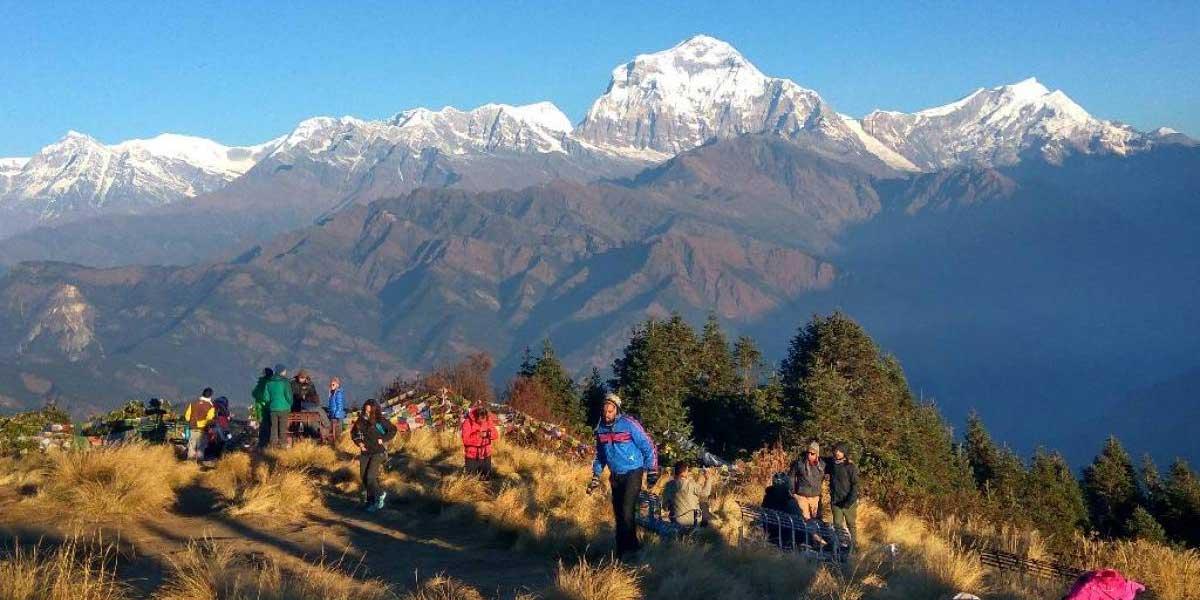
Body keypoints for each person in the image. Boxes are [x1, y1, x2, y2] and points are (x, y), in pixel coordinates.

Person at [587, 392, 658, 556]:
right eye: (604, 411)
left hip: (634, 471)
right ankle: (623, 550)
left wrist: (652, 469)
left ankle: (630, 550)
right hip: (615, 475)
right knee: (619, 513)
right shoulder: (601, 430)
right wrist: (596, 476)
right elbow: (600, 455)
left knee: (627, 510)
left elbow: (648, 446)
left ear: (617, 410)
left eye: (610, 411)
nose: (606, 414)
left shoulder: (629, 424)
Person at [350, 399, 398, 512]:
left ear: (374, 410)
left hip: (378, 452)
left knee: (370, 477)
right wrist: (360, 444)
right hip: (365, 452)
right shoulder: (360, 420)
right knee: (363, 477)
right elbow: (354, 434)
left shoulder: (380, 420)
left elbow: (393, 430)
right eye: (366, 410)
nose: (367, 413)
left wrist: (384, 439)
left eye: (369, 411)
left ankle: (381, 494)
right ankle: (370, 502)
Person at [661, 461, 714, 528]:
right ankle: (704, 526)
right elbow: (705, 493)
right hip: (694, 520)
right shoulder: (691, 484)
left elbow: (665, 507)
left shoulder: (669, 485)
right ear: (684, 471)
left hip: (676, 520)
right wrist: (708, 479)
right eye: (687, 470)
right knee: (703, 502)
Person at [827, 443, 860, 548]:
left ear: (844, 452)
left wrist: (850, 500)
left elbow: (855, 485)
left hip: (848, 501)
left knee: (851, 524)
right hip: (836, 501)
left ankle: (854, 545)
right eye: (836, 450)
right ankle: (841, 545)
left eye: (840, 451)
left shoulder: (850, 466)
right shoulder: (832, 464)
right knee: (837, 524)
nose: (837, 453)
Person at [760, 471, 803, 548]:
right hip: (786, 533)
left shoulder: (768, 497)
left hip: (771, 530)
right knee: (811, 528)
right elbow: (798, 518)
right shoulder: (788, 500)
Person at [790, 441, 825, 522]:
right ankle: (806, 534)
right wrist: (793, 492)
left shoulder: (822, 465)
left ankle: (815, 534)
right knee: (805, 518)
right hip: (802, 495)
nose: (809, 455)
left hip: (815, 496)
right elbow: (791, 476)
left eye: (812, 453)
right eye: (808, 453)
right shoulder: (799, 463)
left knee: (816, 519)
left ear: (817, 454)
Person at [461, 404, 498, 477]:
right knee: (470, 481)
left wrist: (487, 434)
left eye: (484, 419)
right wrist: (478, 435)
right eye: (480, 420)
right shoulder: (467, 422)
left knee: (486, 480)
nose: (482, 422)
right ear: (476, 416)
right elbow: (465, 440)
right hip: (472, 456)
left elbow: (496, 435)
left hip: (486, 455)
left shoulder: (488, 420)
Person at [264, 364, 294, 448]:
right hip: (284, 408)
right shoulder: (285, 382)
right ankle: (283, 444)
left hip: (273, 408)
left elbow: (266, 398)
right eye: (284, 370)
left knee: (273, 427)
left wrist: (270, 404)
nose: (285, 372)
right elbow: (288, 396)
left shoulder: (269, 382)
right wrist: (290, 404)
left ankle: (273, 445)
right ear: (282, 371)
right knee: (283, 427)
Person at [184, 389, 216, 460]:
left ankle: (190, 463)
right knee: (201, 448)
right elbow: (210, 419)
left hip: (192, 427)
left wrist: (192, 421)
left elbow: (187, 417)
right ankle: (198, 464)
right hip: (203, 429)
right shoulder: (211, 406)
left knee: (191, 446)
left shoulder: (193, 403)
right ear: (210, 396)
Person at [205, 396, 233, 460]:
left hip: (216, 429)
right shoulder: (224, 410)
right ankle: (221, 456)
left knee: (213, 443)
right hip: (223, 429)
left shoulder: (214, 407)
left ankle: (213, 456)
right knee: (228, 441)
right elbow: (227, 419)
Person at [251, 367, 273, 448]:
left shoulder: (262, 382)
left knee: (263, 426)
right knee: (270, 425)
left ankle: (262, 443)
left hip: (260, 407)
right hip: (271, 407)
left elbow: (254, 393)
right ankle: (268, 443)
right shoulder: (273, 383)